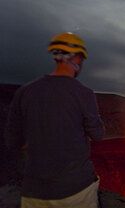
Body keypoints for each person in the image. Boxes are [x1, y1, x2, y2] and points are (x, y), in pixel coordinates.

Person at [5, 32, 105, 208]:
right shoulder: (84, 93)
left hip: (34, 191)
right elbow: (97, 134)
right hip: (76, 189)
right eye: (81, 58)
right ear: (77, 58)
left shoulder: (25, 92)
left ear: (57, 57)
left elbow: (13, 140)